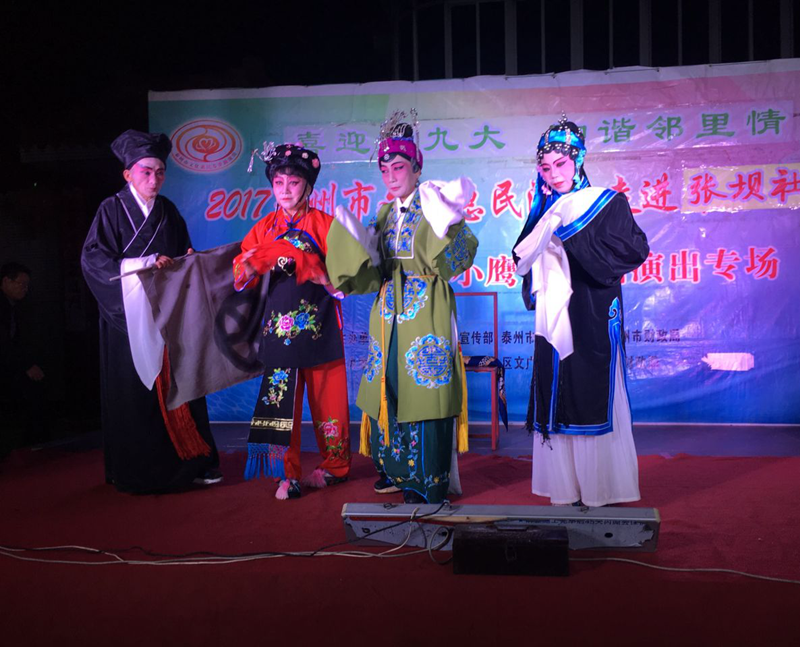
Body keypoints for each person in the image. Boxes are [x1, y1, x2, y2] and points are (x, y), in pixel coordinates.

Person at [326, 111, 478, 504]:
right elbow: (372, 274)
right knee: (389, 386)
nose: (391, 177)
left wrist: (449, 223)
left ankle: (428, 480)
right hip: (387, 313)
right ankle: (396, 470)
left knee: (425, 390)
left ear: (416, 168)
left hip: (426, 312)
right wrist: (354, 246)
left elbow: (460, 258)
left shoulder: (434, 203)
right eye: (385, 169)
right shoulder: (384, 213)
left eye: (399, 167)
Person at [513, 115, 649, 507]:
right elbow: (522, 259)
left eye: (560, 163)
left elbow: (633, 251)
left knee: (591, 389)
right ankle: (565, 487)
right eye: (545, 167)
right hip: (553, 315)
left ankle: (599, 487)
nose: (554, 174)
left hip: (592, 310)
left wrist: (570, 236)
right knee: (558, 390)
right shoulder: (543, 210)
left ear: (579, 159)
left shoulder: (605, 203)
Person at [81, 129, 221, 493]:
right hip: (127, 317)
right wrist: (143, 263)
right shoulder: (110, 210)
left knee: (180, 385)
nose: (154, 179)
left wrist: (187, 262)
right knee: (135, 394)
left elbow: (182, 253)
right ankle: (137, 471)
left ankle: (190, 463)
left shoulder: (168, 211)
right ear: (128, 174)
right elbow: (94, 261)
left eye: (160, 172)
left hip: (165, 315)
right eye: (146, 172)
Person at [233, 142, 351, 500]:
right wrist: (248, 267)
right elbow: (241, 275)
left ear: (308, 186)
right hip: (279, 328)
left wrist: (320, 274)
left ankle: (335, 466)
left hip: (320, 324)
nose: (285, 190)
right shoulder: (263, 229)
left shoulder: (327, 225)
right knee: (282, 402)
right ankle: (287, 472)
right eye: (279, 182)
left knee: (329, 401)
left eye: (294, 182)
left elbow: (346, 283)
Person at [0, 262, 45, 457]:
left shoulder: (13, 307)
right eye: (21, 284)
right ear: (6, 281)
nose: (25, 289)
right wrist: (26, 365)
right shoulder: (4, 307)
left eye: (27, 285)